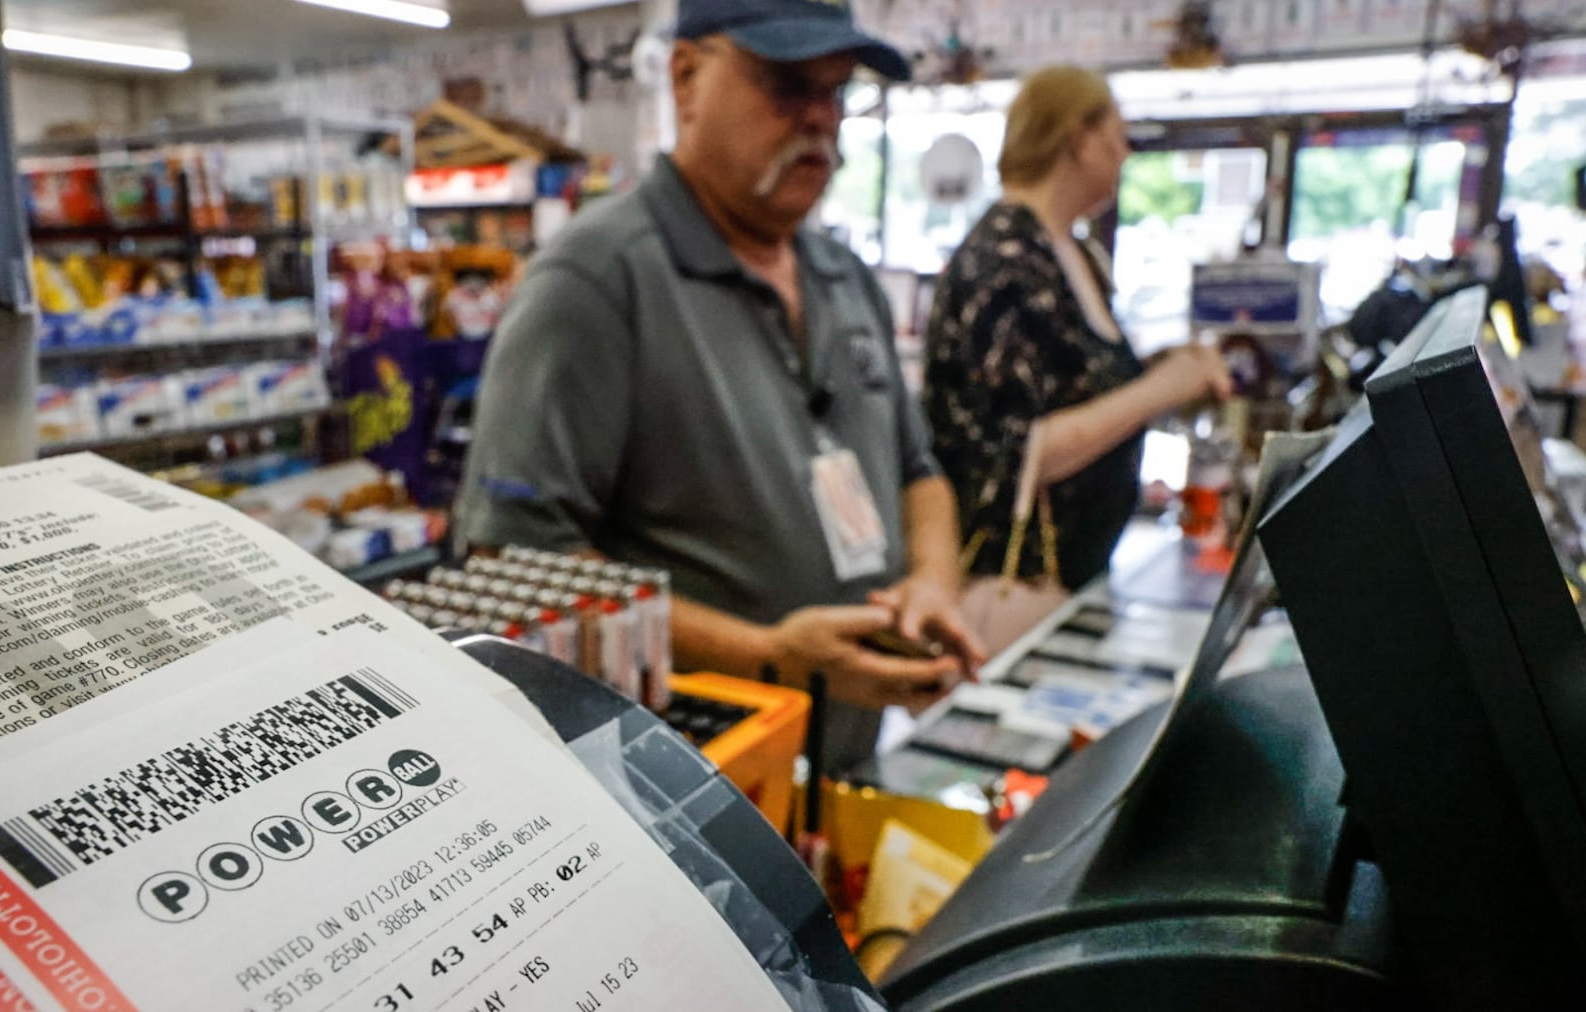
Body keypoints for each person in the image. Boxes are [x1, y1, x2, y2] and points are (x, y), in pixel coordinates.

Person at [456, 0, 983, 772]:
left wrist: (934, 586)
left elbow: (917, 470)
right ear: (687, 79)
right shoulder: (595, 282)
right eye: (787, 85)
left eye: (835, 92)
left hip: (846, 760)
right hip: (691, 790)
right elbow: (513, 563)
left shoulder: (845, 278)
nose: (819, 120)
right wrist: (766, 654)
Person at [924, 65, 1232, 594]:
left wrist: (1170, 369)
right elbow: (1013, 452)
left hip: (1078, 569)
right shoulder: (1004, 259)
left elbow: (1080, 388)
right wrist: (1160, 390)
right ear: (1078, 138)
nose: (1125, 154)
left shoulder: (1071, 251)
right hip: (1017, 578)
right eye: (1117, 137)